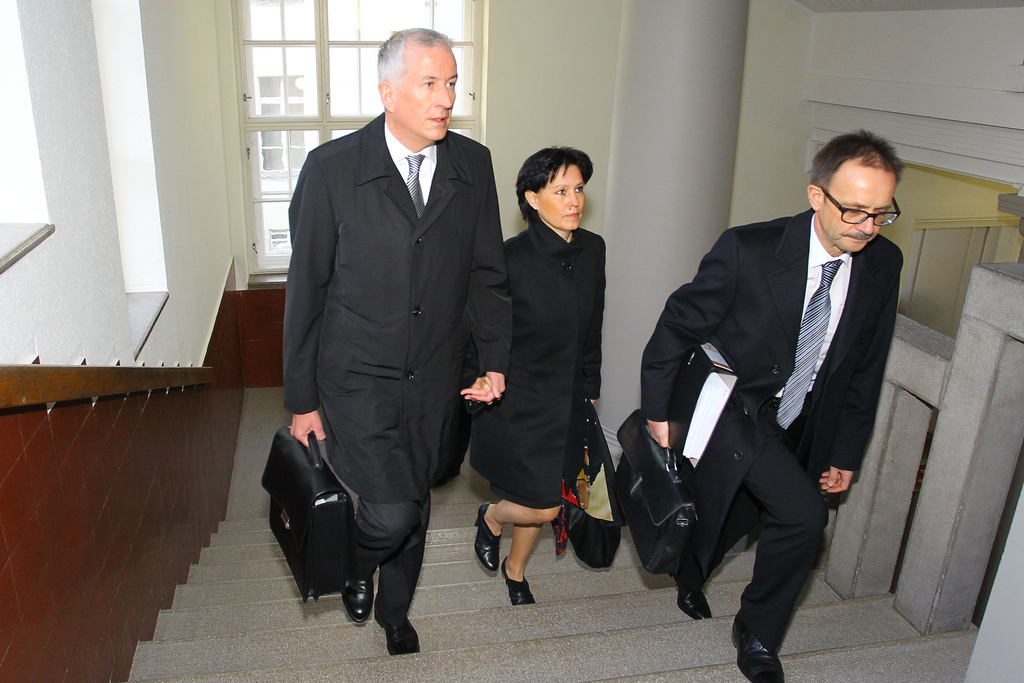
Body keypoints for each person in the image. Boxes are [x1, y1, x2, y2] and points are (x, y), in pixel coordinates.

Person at [641, 131, 904, 683]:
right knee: (804, 517)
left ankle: (693, 576)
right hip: (738, 408)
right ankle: (758, 633)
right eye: (855, 211)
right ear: (817, 196)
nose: (867, 226)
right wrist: (657, 411)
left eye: (882, 213)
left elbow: (867, 365)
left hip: (807, 415)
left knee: (744, 510)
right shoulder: (748, 249)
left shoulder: (883, 262)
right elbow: (677, 325)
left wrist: (846, 451)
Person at [283, 28, 512, 656]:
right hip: (356, 375)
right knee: (393, 510)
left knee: (415, 496)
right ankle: (355, 564)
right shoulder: (332, 169)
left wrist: (494, 360)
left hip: (438, 373)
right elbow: (306, 290)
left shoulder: (474, 165)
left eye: (452, 84)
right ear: (387, 92)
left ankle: (395, 610)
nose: (446, 98)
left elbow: (487, 275)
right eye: (429, 83)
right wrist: (302, 400)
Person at [464, 147, 606, 605]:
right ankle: (491, 517)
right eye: (560, 191)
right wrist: (481, 377)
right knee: (544, 504)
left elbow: (593, 325)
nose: (574, 200)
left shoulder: (593, 249)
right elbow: (483, 330)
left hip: (568, 399)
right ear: (531, 198)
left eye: (578, 189)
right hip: (520, 401)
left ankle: (516, 569)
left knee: (544, 492)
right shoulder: (508, 258)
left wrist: (590, 387)